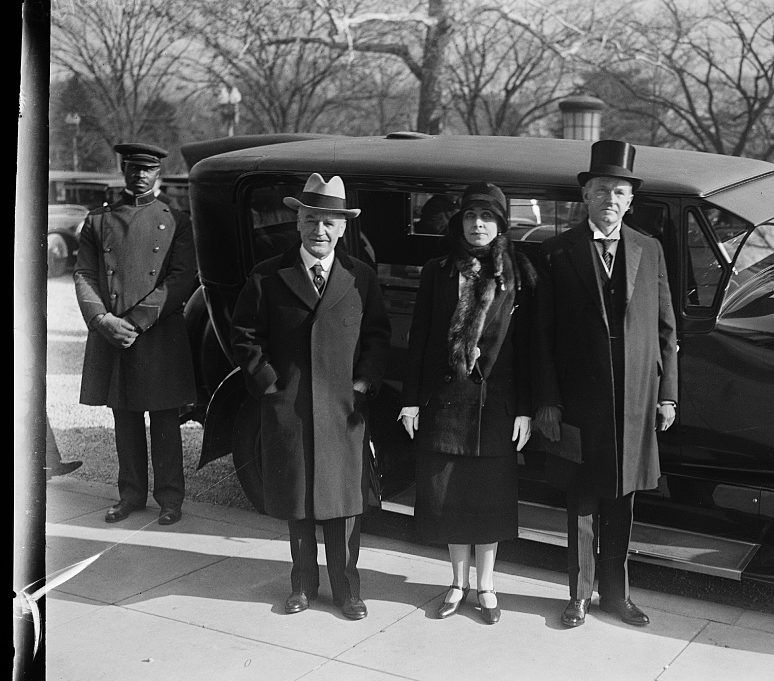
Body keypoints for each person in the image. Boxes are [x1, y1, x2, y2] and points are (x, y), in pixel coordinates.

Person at [231, 173, 391, 620]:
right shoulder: (267, 275)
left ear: (343, 228)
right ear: (297, 222)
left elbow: (378, 338)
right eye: (311, 220)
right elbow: (245, 336)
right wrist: (270, 385)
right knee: (298, 502)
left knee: (344, 505)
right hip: (291, 409)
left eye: (329, 222)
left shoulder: (361, 278)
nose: (319, 230)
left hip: (343, 412)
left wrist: (362, 384)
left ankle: (347, 591)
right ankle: (302, 584)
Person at [533, 140, 678, 628]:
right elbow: (541, 336)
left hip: (635, 402)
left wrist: (667, 395)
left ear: (630, 200)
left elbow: (666, 330)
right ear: (585, 196)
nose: (609, 199)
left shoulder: (649, 249)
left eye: (618, 192)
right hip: (579, 401)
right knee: (581, 500)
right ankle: (578, 596)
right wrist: (548, 401)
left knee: (623, 501)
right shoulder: (556, 251)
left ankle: (617, 596)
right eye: (600, 190)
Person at [398, 182, 536, 625]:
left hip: (495, 405)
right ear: (460, 221)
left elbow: (529, 347)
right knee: (451, 498)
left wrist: (525, 408)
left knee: (489, 498)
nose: (478, 225)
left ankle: (486, 586)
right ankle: (457, 583)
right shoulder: (438, 271)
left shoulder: (517, 274)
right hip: (446, 401)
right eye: (472, 216)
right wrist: (411, 402)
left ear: (501, 225)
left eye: (488, 217)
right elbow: (419, 338)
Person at [74, 143, 197, 526]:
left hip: (158, 333)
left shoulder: (177, 220)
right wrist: (101, 320)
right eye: (132, 168)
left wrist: (138, 320)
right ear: (123, 169)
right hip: (113, 332)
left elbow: (182, 278)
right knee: (124, 417)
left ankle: (170, 499)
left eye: (147, 169)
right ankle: (130, 495)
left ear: (158, 173)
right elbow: (84, 274)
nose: (139, 175)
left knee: (164, 420)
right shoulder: (98, 220)